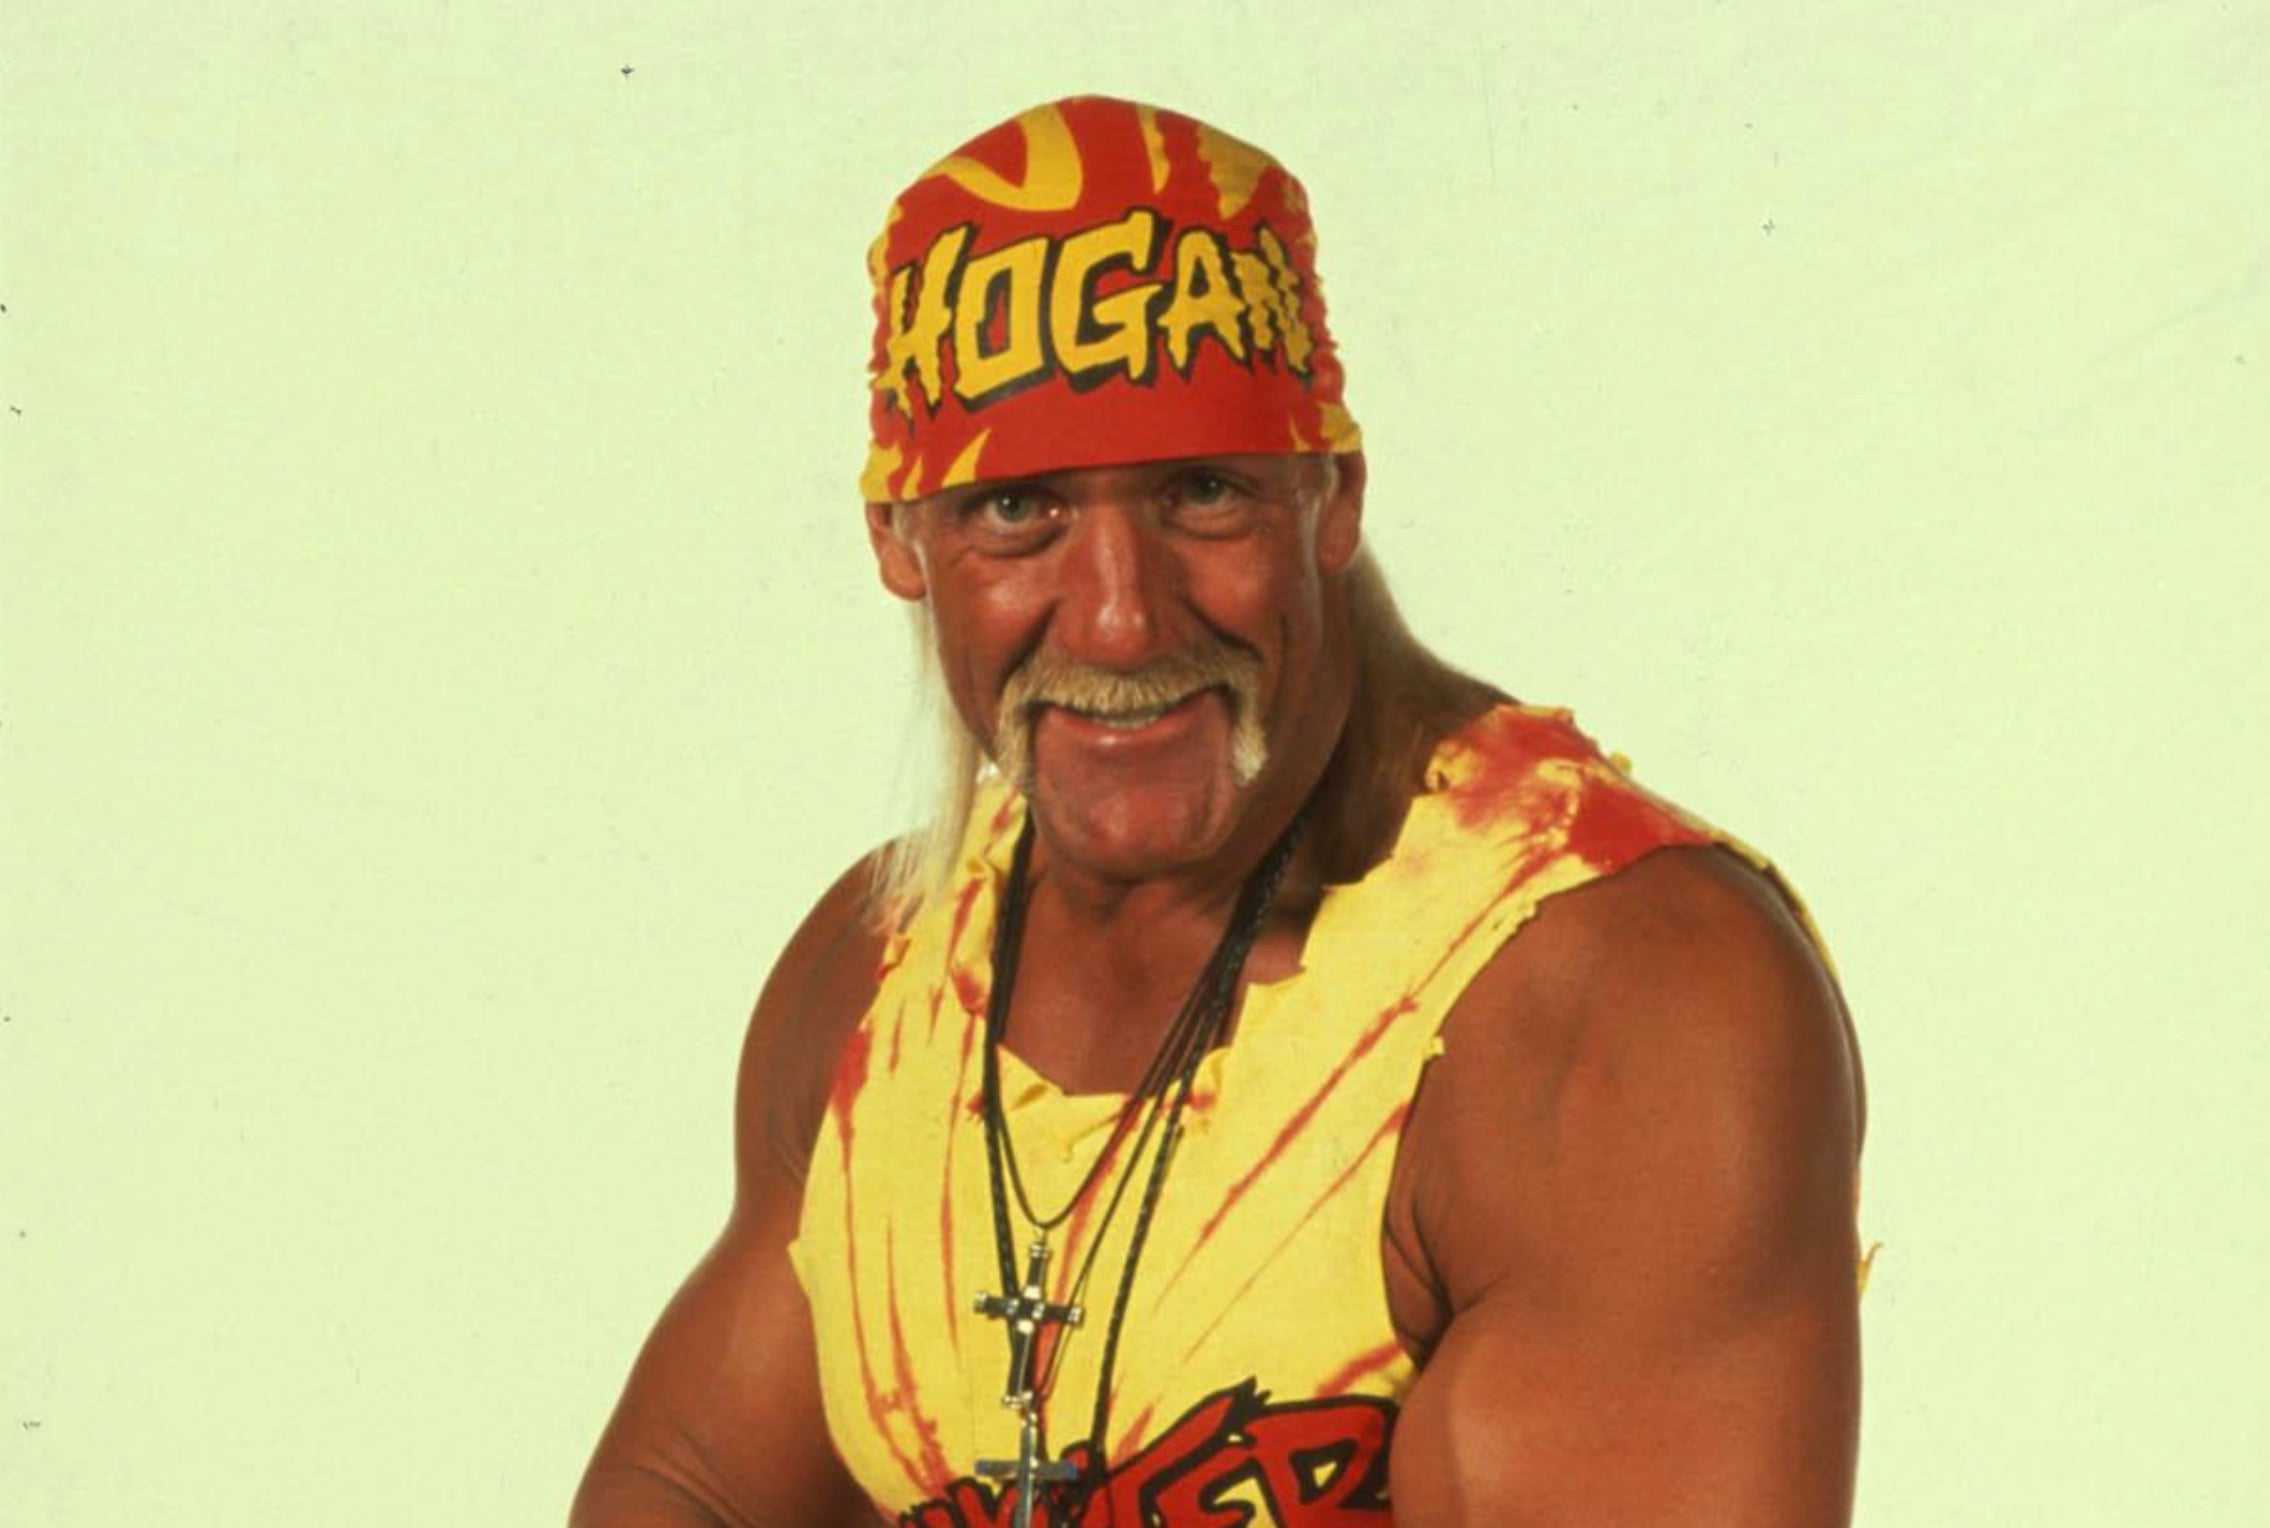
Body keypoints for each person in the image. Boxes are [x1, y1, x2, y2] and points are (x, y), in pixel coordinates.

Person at [573, 95, 1865, 1528]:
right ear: (899, 537)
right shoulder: (885, 975)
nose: (1121, 623)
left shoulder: (1610, 998)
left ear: (1330, 498)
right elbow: (684, 1489)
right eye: (1021, 514)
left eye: (1202, 495)